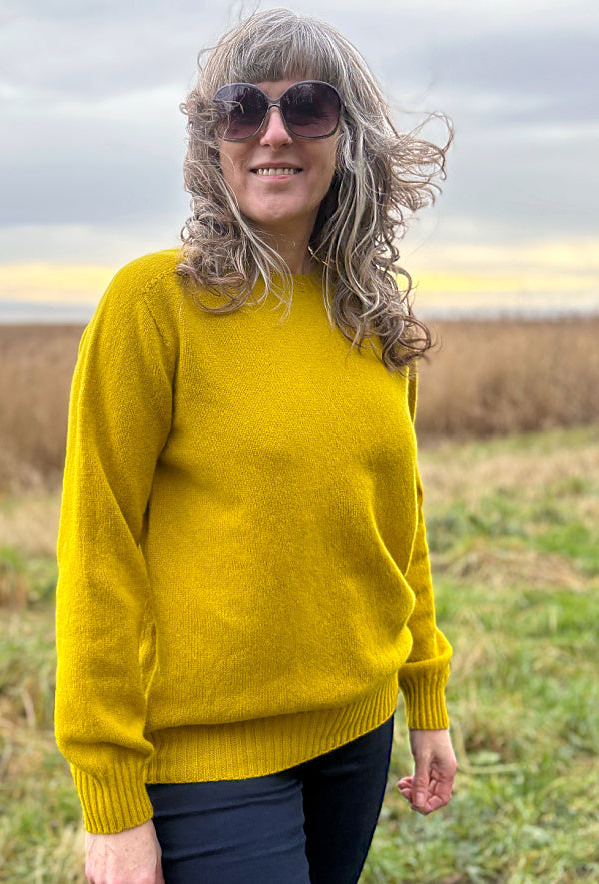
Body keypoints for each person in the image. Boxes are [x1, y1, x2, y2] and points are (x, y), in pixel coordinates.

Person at [54, 8, 457, 884]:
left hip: (358, 730)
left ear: (347, 138)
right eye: (244, 109)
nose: (274, 133)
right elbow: (98, 548)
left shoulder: (373, 319)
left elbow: (400, 524)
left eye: (307, 107)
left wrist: (425, 693)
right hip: (208, 759)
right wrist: (110, 798)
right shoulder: (152, 306)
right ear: (215, 141)